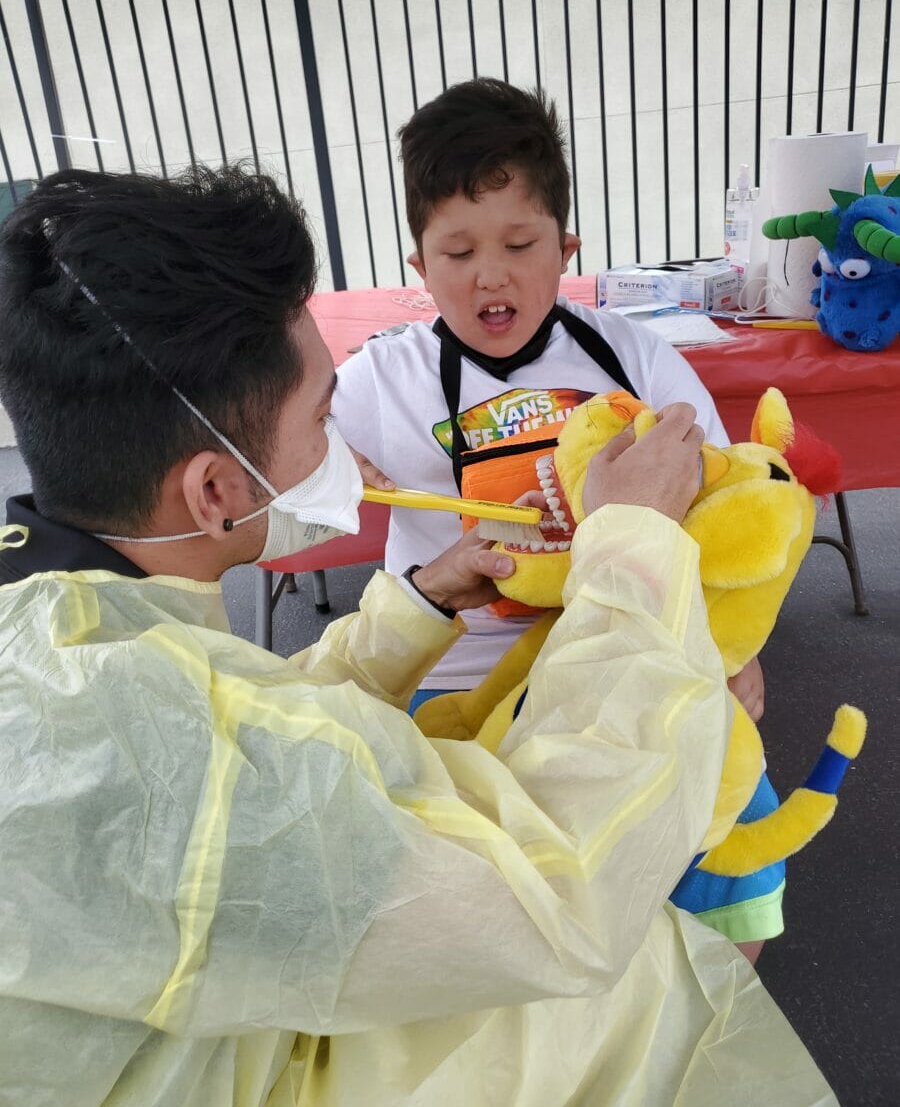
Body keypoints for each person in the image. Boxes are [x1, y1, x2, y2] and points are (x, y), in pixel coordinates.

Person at [0, 166, 834, 1107]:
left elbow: (248, 716)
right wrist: (632, 551)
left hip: (218, 1017)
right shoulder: (168, 760)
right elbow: (557, 895)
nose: (343, 450)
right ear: (214, 490)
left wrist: (420, 602)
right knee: (631, 982)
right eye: (322, 418)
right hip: (253, 1067)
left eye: (522, 245)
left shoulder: (59, 620)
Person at [332, 78, 778, 954]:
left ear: (565, 249)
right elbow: (271, 471)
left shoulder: (633, 356)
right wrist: (323, 464)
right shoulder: (380, 380)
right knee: (482, 896)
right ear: (418, 268)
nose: (489, 275)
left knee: (729, 843)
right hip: (458, 669)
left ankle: (720, 1004)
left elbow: (729, 504)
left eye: (519, 243)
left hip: (633, 646)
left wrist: (736, 649)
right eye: (456, 253)